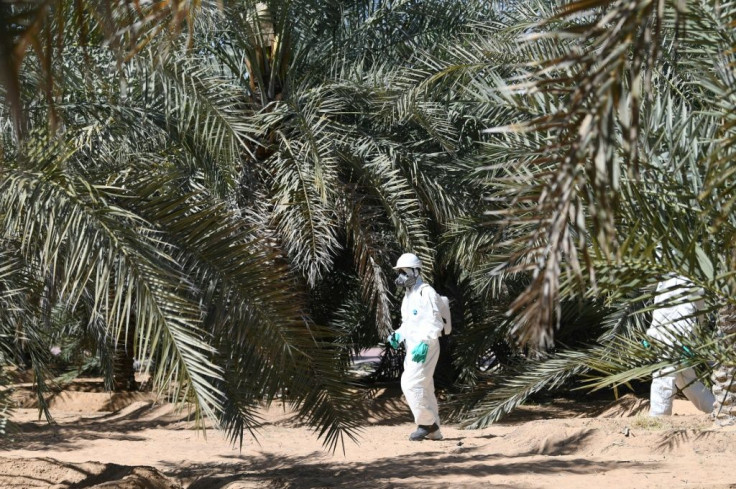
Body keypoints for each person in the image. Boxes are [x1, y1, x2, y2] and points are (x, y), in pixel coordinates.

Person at [386, 252, 445, 441]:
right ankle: (435, 431)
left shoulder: (426, 292)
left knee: (410, 383)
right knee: (425, 387)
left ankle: (426, 424)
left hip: (425, 346)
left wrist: (425, 342)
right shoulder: (408, 296)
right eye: (400, 272)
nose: (401, 276)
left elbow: (436, 323)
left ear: (415, 271)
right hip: (412, 346)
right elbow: (408, 323)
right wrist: (398, 334)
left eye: (404, 272)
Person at [646, 274, 715, 416]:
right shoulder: (666, 282)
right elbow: (659, 310)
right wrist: (651, 335)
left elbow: (697, 313)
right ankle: (715, 409)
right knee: (686, 380)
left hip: (677, 338)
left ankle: (659, 417)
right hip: (670, 337)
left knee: (664, 376)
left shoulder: (687, 282)